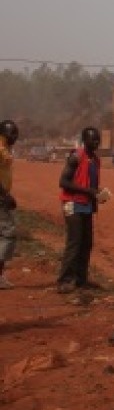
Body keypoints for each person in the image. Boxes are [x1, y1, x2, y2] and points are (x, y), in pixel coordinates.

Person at [56, 127, 110, 293]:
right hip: (72, 204)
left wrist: (98, 193)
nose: (96, 142)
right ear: (84, 140)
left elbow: (89, 183)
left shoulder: (95, 160)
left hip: (86, 205)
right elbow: (63, 182)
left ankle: (81, 279)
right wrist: (89, 191)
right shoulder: (76, 157)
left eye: (97, 139)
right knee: (74, 242)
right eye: (92, 139)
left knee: (87, 243)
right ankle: (64, 281)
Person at [0, 120, 19, 289]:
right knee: (8, 234)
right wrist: (6, 195)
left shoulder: (6, 149)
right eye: (11, 134)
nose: (14, 137)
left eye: (16, 134)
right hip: (1, 197)